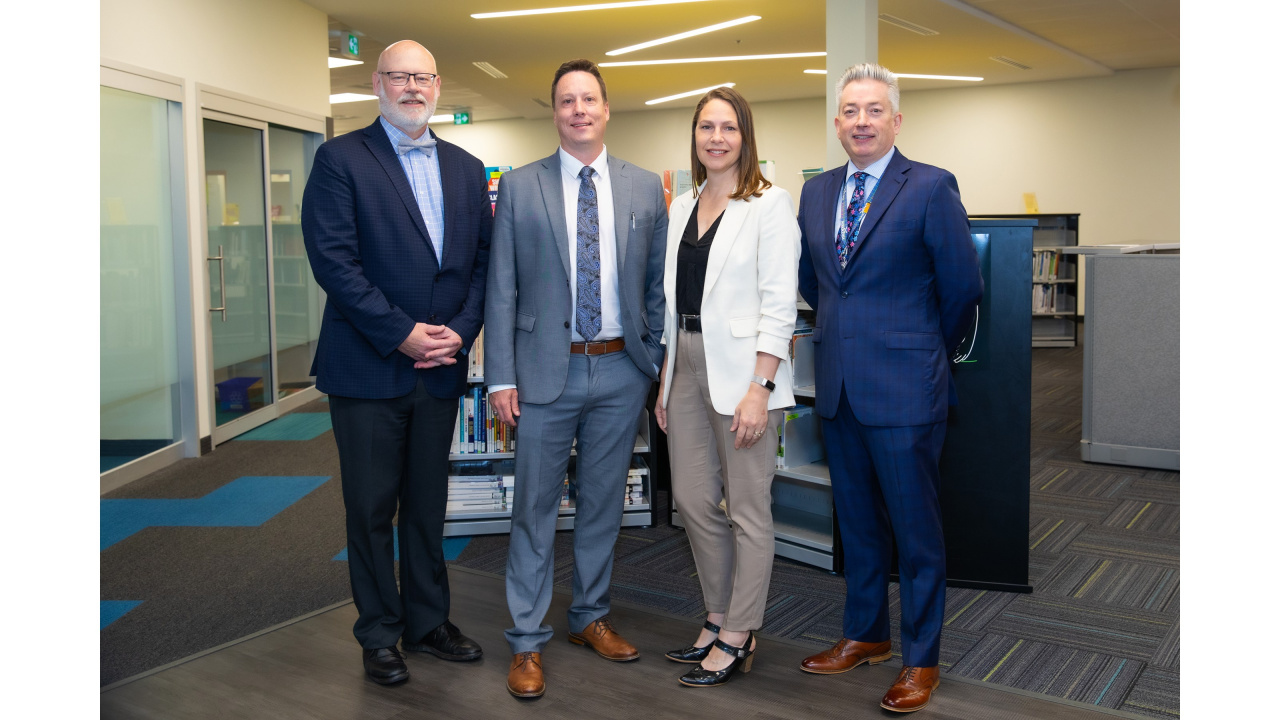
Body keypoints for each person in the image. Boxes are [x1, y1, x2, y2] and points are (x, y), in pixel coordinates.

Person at [301, 40, 491, 686]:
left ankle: (428, 622)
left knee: (427, 506)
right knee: (371, 508)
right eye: (399, 76)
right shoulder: (340, 161)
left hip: (439, 369)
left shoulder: (468, 170)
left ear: (438, 85)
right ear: (376, 83)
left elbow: (481, 268)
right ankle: (380, 633)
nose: (412, 86)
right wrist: (405, 333)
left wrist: (457, 335)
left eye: (422, 76)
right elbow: (335, 264)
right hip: (367, 370)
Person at [795, 63, 983, 713]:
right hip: (840, 388)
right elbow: (815, 285)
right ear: (838, 121)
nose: (861, 121)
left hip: (906, 389)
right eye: (850, 110)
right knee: (859, 526)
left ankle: (920, 659)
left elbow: (962, 289)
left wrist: (924, 352)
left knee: (915, 532)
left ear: (895, 120)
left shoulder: (929, 187)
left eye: (874, 110)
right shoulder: (817, 193)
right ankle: (866, 635)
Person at [484, 59, 668, 699]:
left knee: (601, 505)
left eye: (589, 98)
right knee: (533, 510)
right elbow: (501, 287)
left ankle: (590, 616)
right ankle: (526, 642)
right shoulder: (519, 185)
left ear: (607, 108)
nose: (579, 109)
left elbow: (653, 288)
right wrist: (499, 375)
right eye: (567, 100)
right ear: (555, 112)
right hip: (542, 373)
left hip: (621, 370)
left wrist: (654, 364)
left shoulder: (645, 188)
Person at [653, 87, 799, 688]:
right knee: (690, 499)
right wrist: (665, 383)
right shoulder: (683, 203)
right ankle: (715, 616)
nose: (716, 137)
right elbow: (672, 303)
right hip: (683, 361)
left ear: (746, 137)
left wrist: (760, 387)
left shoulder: (768, 203)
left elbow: (779, 303)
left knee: (747, 507)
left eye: (729, 127)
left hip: (743, 371)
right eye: (706, 126)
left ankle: (739, 632)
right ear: (694, 135)